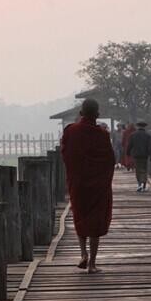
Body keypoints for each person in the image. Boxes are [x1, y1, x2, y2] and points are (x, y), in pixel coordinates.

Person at [60, 98, 115, 274]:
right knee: (96, 221)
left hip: (78, 183)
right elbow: (110, 160)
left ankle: (83, 253)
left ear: (81, 113)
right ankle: (92, 264)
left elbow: (65, 154)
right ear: (97, 115)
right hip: (98, 185)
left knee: (80, 216)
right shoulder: (103, 134)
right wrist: (105, 180)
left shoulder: (70, 131)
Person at [126, 121, 151, 192]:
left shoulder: (133, 135)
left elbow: (130, 145)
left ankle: (139, 184)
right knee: (144, 170)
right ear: (144, 127)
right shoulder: (148, 136)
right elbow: (150, 147)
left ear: (138, 126)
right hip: (145, 155)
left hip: (136, 155)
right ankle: (144, 185)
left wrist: (128, 152)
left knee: (138, 170)